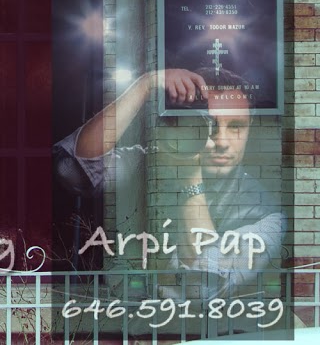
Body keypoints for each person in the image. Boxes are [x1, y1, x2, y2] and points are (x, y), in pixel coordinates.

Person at [54, 68, 283, 297]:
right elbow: (70, 171)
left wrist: (189, 174)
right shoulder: (153, 161)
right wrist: (145, 84)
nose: (222, 141)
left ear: (249, 128)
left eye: (235, 127)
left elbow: (201, 288)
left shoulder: (265, 213)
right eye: (209, 126)